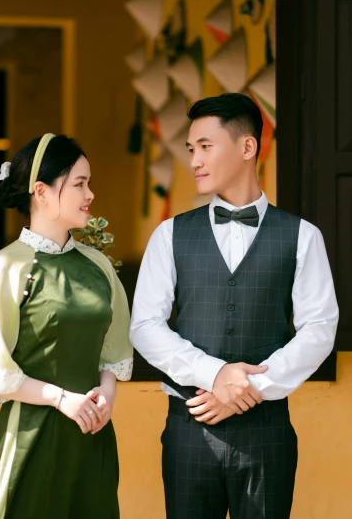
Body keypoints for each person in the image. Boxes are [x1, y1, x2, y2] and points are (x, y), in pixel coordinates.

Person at [130, 93, 339, 519]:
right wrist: (214, 375)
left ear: (248, 148)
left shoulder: (302, 236)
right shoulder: (169, 235)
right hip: (189, 428)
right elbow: (145, 325)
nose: (194, 161)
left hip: (267, 432)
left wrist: (249, 390)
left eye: (206, 146)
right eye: (191, 149)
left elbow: (319, 329)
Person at [0, 133, 133, 519]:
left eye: (88, 182)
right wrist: (61, 398)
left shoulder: (98, 267)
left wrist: (107, 395)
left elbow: (113, 350)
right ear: (42, 193)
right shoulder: (7, 267)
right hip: (31, 438)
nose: (90, 193)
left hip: (91, 439)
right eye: (79, 183)